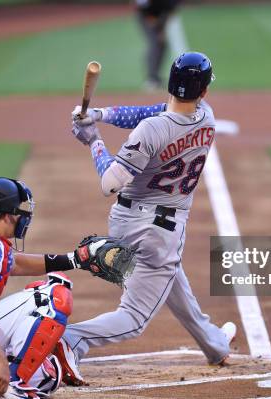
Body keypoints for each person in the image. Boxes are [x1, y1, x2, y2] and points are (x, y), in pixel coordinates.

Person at [60, 52, 236, 386]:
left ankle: (213, 344)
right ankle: (70, 339)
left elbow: (109, 182)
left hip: (127, 221)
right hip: (159, 231)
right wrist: (99, 115)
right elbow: (154, 114)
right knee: (135, 317)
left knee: (171, 277)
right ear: (204, 93)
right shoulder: (207, 118)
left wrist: (93, 139)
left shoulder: (151, 130)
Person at [0, 177, 133, 399]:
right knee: (52, 295)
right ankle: (13, 387)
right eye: (21, 209)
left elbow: (14, 263)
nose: (24, 216)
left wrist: (75, 259)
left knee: (48, 376)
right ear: (8, 214)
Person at [136, 0, 181, 89]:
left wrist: (161, 29)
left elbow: (170, 10)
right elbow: (141, 7)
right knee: (155, 43)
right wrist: (153, 24)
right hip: (146, 16)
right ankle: (151, 79)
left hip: (161, 15)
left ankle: (156, 77)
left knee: (162, 44)